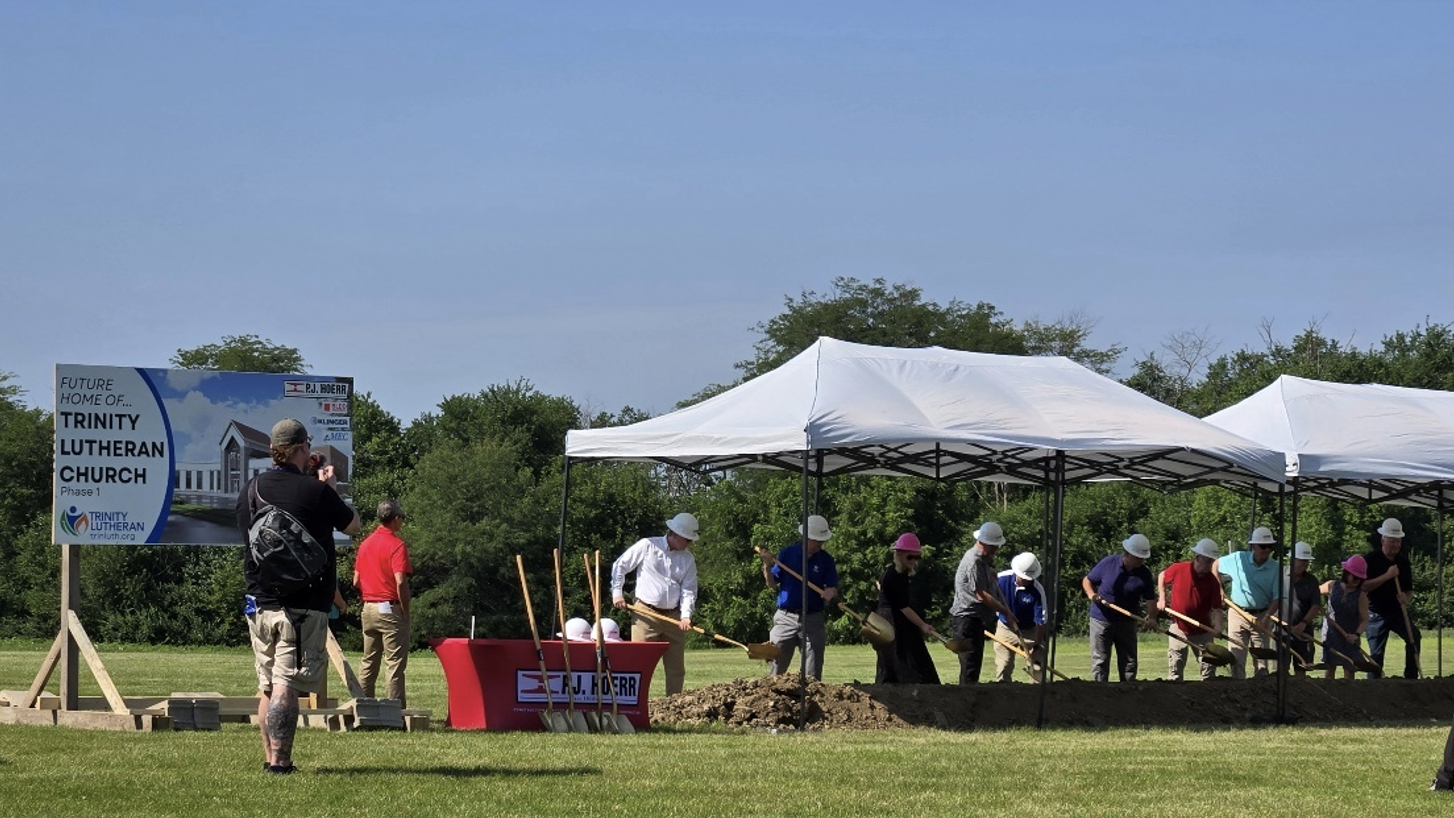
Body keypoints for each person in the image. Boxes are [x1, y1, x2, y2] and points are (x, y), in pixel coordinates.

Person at [235, 418, 361, 774]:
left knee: (267, 684)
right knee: (286, 683)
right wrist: (330, 489)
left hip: (259, 602)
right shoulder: (316, 492)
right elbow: (354, 525)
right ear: (303, 448)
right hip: (303, 605)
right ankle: (281, 762)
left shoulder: (249, 490)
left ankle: (267, 756)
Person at [611, 512, 700, 695]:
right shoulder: (648, 545)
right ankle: (635, 703)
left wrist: (685, 616)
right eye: (688, 539)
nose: (690, 544)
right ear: (676, 535)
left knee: (676, 668)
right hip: (645, 613)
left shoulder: (688, 559)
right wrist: (617, 593)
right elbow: (620, 565)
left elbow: (689, 589)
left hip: (674, 617)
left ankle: (673, 706)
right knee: (638, 664)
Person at [761, 514, 840, 680]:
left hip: (813, 620)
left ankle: (810, 703)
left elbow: (833, 587)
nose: (819, 544)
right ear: (806, 537)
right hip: (786, 617)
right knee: (776, 670)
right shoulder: (787, 554)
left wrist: (830, 593)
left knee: (812, 674)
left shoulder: (826, 560)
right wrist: (767, 566)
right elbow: (771, 583)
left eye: (821, 541)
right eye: (816, 540)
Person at [353, 498, 413, 706]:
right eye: (402, 518)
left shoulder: (365, 544)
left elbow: (356, 580)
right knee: (394, 663)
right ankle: (394, 711)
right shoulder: (396, 545)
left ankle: (362, 705)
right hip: (389, 608)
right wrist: (405, 610)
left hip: (368, 608)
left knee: (369, 661)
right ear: (396, 519)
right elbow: (400, 581)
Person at [1082, 533, 1156, 682]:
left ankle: (1128, 692)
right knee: (1100, 661)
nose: (1141, 561)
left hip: (1127, 622)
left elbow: (1150, 598)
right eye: (1138, 557)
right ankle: (1100, 693)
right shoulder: (1109, 563)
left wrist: (1152, 617)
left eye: (1143, 558)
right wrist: (1092, 595)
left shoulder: (1144, 574)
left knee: (1129, 662)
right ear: (1129, 554)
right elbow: (1087, 580)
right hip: (1101, 621)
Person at [950, 522, 1018, 685]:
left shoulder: (982, 562)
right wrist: (1005, 612)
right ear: (983, 543)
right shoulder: (974, 561)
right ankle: (966, 702)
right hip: (967, 620)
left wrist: (990, 574)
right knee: (969, 667)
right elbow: (981, 595)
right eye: (993, 547)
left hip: (975, 620)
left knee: (973, 667)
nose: (996, 550)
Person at [873, 533, 941, 684]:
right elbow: (903, 607)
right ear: (899, 555)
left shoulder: (895, 573)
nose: (913, 561)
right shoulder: (895, 576)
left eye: (916, 557)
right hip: (893, 622)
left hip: (891, 619)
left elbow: (880, 585)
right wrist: (923, 625)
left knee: (896, 660)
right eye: (910, 557)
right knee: (903, 660)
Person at [1215, 526, 1282, 679]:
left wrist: (1266, 618)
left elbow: (1277, 598)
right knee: (1237, 658)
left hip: (1262, 614)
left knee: (1261, 662)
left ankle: (1261, 693)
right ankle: (1238, 692)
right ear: (1253, 546)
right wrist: (1219, 588)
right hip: (1237, 612)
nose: (1266, 550)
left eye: (1269, 547)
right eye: (1263, 546)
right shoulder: (1238, 558)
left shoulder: (1275, 568)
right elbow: (1215, 565)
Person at [1157, 538, 1225, 682]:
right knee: (1176, 663)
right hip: (1178, 625)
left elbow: (1217, 609)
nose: (1209, 565)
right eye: (1207, 561)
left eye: (1211, 562)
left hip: (1202, 628)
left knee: (1208, 667)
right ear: (1198, 558)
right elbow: (1162, 576)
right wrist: (1162, 598)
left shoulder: (1212, 581)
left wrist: (1218, 628)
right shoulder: (1179, 569)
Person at [1362, 517, 1420, 679]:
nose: (1395, 545)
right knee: (1376, 654)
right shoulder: (1370, 560)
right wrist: (1387, 576)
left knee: (1414, 637)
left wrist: (1405, 599)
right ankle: (1374, 685)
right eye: (1392, 541)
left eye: (1398, 542)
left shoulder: (1403, 562)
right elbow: (1364, 586)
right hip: (1375, 613)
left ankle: (1411, 678)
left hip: (1397, 612)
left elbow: (1409, 591)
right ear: (1383, 540)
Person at [994, 552, 1047, 683]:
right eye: (1025, 577)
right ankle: (1003, 692)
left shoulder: (1037, 591)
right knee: (1004, 665)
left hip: (1030, 630)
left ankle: (1036, 694)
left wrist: (1037, 646)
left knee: (1036, 666)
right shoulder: (1000, 580)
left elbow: (1041, 622)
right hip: (1005, 627)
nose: (1028, 580)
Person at [1320, 555, 1369, 681]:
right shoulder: (1332, 585)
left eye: (1360, 578)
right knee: (1329, 669)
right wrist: (1315, 606)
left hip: (1349, 637)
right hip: (1330, 634)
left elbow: (1364, 620)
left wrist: (1356, 635)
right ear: (1347, 573)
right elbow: (1314, 592)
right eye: (1354, 576)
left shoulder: (1360, 595)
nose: (1357, 580)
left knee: (1349, 669)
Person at [1280, 541, 1321, 674]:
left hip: (1303, 633)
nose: (1304, 564)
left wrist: (1303, 624)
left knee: (1301, 670)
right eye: (1301, 561)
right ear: (1292, 559)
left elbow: (1315, 606)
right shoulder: (1279, 575)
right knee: (1281, 671)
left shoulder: (1312, 581)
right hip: (1282, 632)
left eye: (1307, 561)